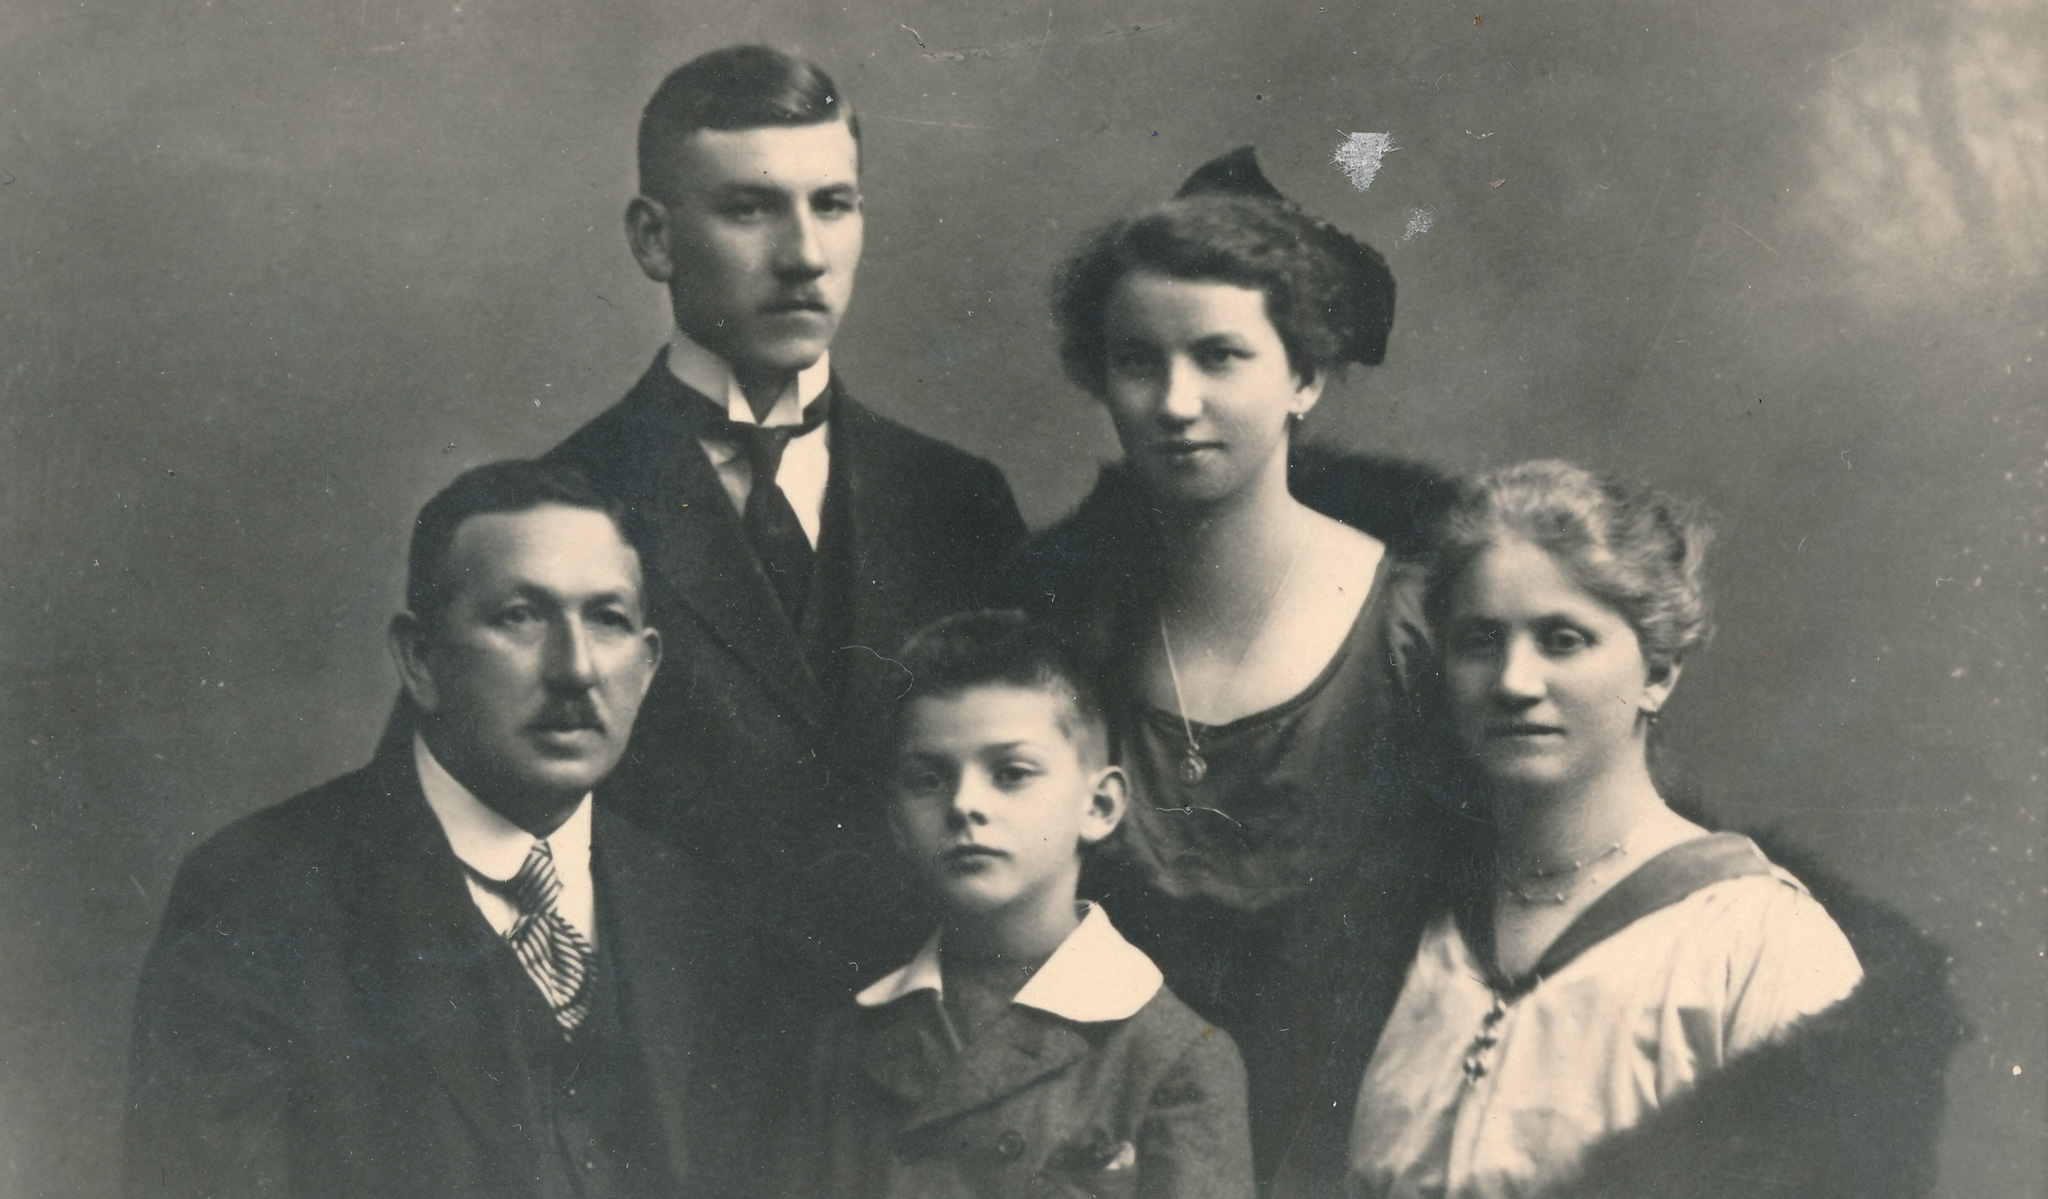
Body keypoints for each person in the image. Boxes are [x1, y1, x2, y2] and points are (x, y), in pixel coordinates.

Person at [1286, 460, 1951, 1199]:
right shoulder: (1401, 927)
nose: (1514, 681)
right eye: (1479, 640)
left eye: (1563, 639)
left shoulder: (1754, 945)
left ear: (1659, 670)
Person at [126, 461, 790, 1199]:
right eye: (521, 616)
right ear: (422, 660)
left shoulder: (689, 904)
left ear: (647, 664)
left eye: (607, 619)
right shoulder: (256, 895)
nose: (575, 668)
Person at [1007, 147, 1457, 1179]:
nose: (1174, 401)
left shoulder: (1418, 629)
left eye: (1219, 357)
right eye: (1138, 362)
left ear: (1304, 376)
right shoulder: (1064, 635)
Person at [542, 46, 1028, 971]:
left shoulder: (960, 500)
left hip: (925, 1033)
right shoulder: (559, 506)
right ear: (653, 239)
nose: (803, 256)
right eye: (749, 208)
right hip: (663, 1040)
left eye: (831, 204)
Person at [777, 611, 1254, 1199]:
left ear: (1100, 806)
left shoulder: (1170, 1056)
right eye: (928, 779)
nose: (964, 804)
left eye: (1010, 773)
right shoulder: (846, 1047)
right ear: (896, 820)